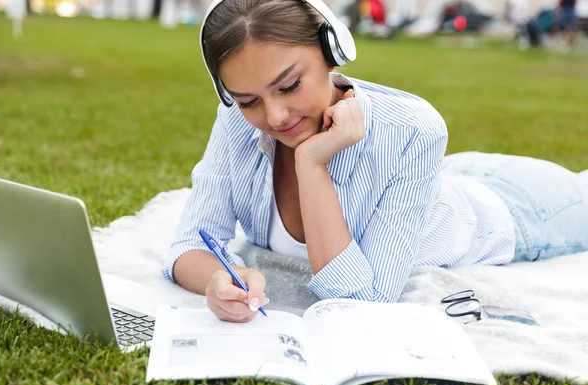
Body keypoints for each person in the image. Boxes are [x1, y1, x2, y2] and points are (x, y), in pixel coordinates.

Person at [163, 0, 588, 323]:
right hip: (452, 177)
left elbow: (362, 303)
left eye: (290, 86)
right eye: (249, 100)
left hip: (519, 212)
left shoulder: (412, 129)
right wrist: (217, 281)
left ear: (333, 51)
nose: (274, 117)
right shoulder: (237, 120)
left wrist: (311, 166)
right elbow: (190, 246)